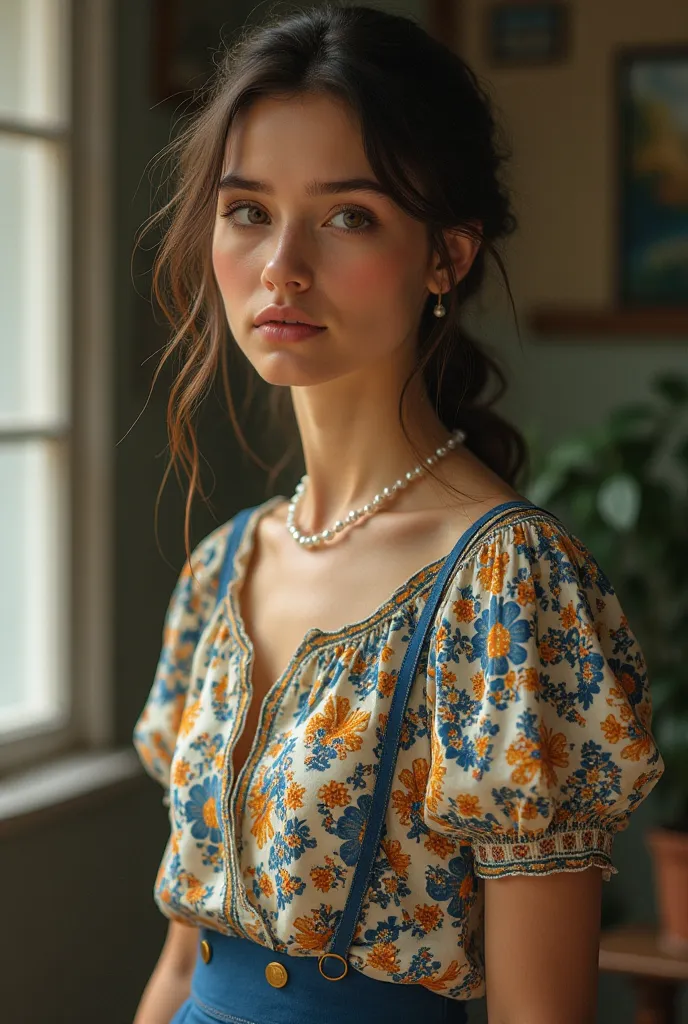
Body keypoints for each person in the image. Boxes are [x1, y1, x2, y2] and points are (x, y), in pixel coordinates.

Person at [131, 4, 664, 1023]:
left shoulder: (508, 590)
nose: (281, 263)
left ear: (447, 256)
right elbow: (177, 966)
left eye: (347, 216)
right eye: (246, 209)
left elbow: (538, 1014)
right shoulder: (225, 568)